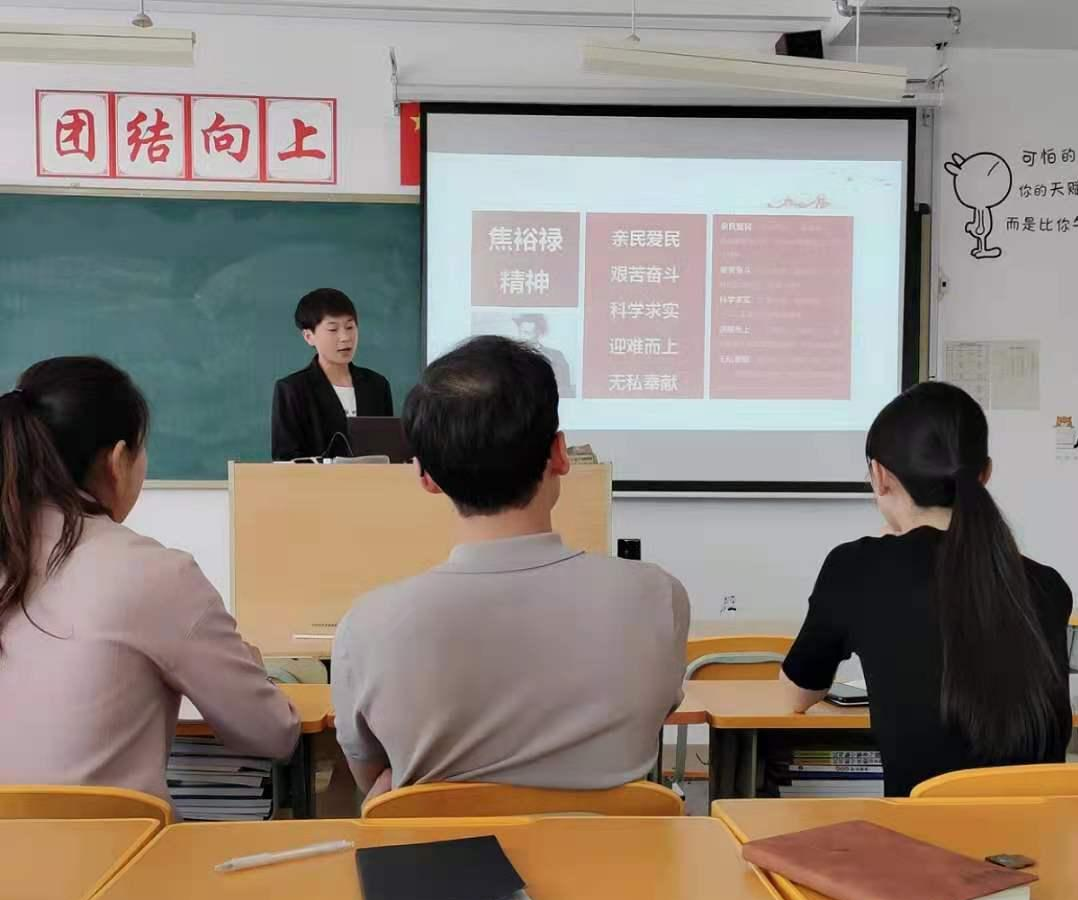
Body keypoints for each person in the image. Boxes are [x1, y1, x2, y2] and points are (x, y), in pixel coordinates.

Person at [331, 336, 688, 799]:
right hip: (611, 847)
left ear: (426, 477)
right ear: (559, 453)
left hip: (437, 847)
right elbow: (651, 723)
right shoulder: (658, 597)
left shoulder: (368, 624)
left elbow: (372, 776)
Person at [0, 357, 300, 805]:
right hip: (114, 847)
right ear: (118, 460)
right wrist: (252, 668)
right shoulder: (155, 575)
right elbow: (273, 733)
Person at [781, 382, 1072, 797]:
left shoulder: (856, 568)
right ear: (985, 474)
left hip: (920, 833)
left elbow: (797, 694)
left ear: (880, 475)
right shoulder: (1049, 586)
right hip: (1040, 833)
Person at [272, 288, 393, 460]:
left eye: (350, 327)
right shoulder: (292, 390)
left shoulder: (377, 385)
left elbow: (388, 452)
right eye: (333, 329)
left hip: (373, 478)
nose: (345, 337)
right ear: (309, 336)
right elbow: (285, 460)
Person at [514, 313, 575, 398]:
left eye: (528, 333)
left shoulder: (556, 356)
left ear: (538, 333)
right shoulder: (510, 357)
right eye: (521, 332)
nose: (523, 337)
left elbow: (565, 388)